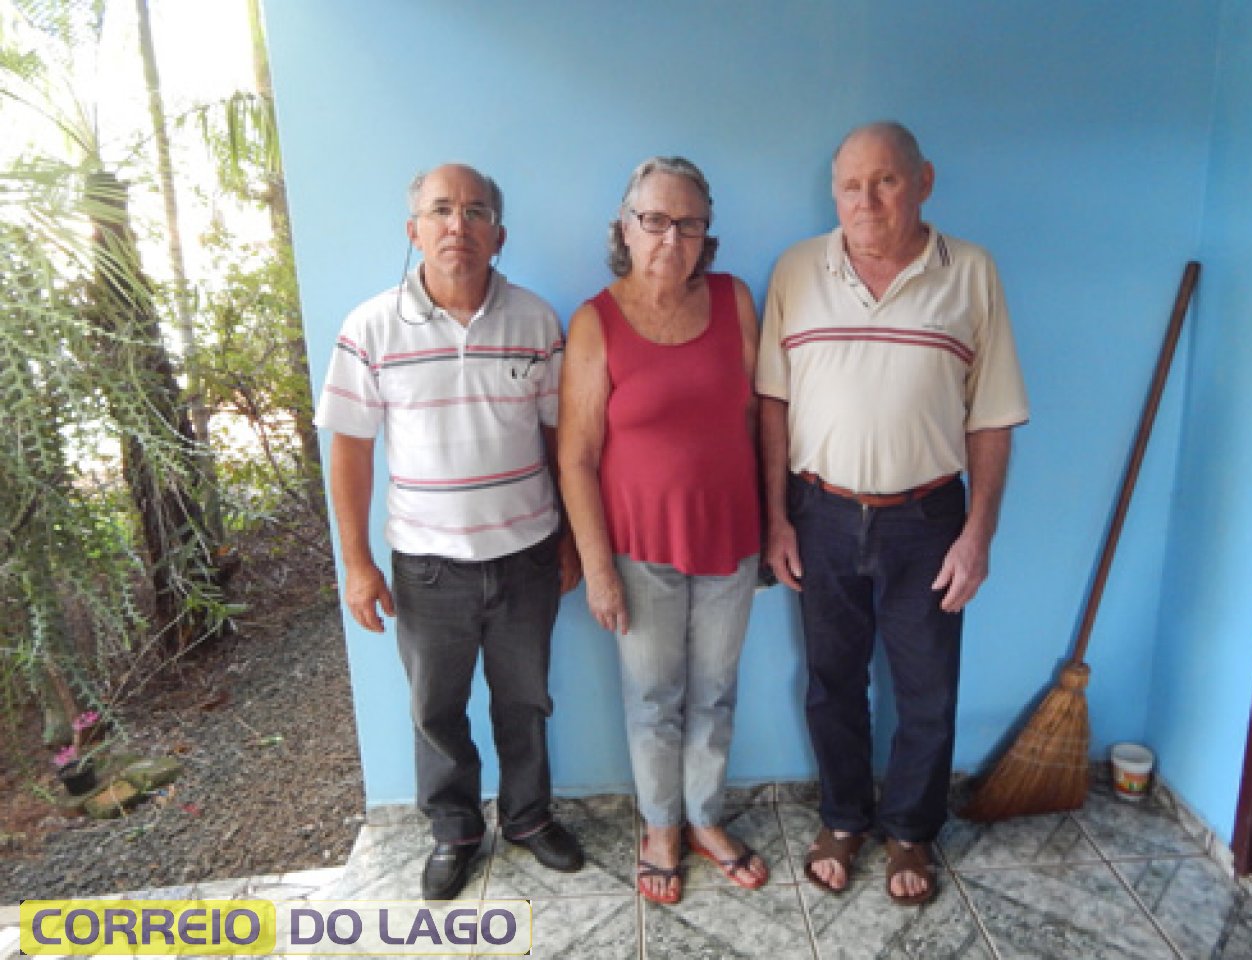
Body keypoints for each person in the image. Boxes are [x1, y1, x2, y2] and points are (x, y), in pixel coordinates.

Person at [757, 123, 1029, 904]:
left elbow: (993, 417)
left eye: (885, 181)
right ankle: (843, 818)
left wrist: (979, 534)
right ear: (833, 192)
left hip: (929, 517)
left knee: (927, 688)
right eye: (851, 184)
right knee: (831, 680)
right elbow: (771, 404)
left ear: (924, 181)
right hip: (820, 512)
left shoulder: (971, 271)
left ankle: (911, 831)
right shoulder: (797, 270)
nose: (866, 199)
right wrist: (777, 519)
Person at [315, 163, 585, 901]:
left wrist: (569, 536)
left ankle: (529, 819)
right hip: (428, 568)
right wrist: (358, 563)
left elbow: (563, 439)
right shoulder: (370, 327)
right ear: (414, 231)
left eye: (474, 212)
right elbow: (349, 447)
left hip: (528, 555)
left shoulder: (536, 321)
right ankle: (455, 830)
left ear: (499, 235)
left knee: (525, 700)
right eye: (440, 211)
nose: (456, 225)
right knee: (435, 709)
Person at [558, 157, 768, 905]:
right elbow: (576, 456)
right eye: (654, 220)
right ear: (625, 226)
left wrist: (773, 526)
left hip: (731, 537)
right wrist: (597, 567)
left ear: (707, 235)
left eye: (689, 223)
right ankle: (658, 826)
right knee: (653, 698)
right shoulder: (595, 321)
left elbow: (756, 419)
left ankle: (705, 818)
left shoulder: (734, 300)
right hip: (637, 547)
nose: (670, 236)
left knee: (714, 693)